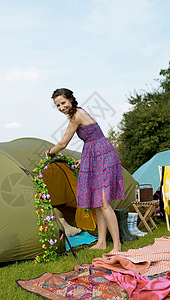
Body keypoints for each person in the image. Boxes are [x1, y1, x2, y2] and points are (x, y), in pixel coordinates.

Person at [45, 88, 125, 252]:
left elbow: (63, 143)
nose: (61, 107)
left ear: (71, 100)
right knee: (97, 203)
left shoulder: (76, 116)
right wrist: (86, 159)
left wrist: (49, 152)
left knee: (103, 203)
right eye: (58, 105)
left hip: (104, 156)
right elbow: (94, 137)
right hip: (95, 155)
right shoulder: (78, 114)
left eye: (63, 103)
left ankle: (117, 245)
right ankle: (102, 242)